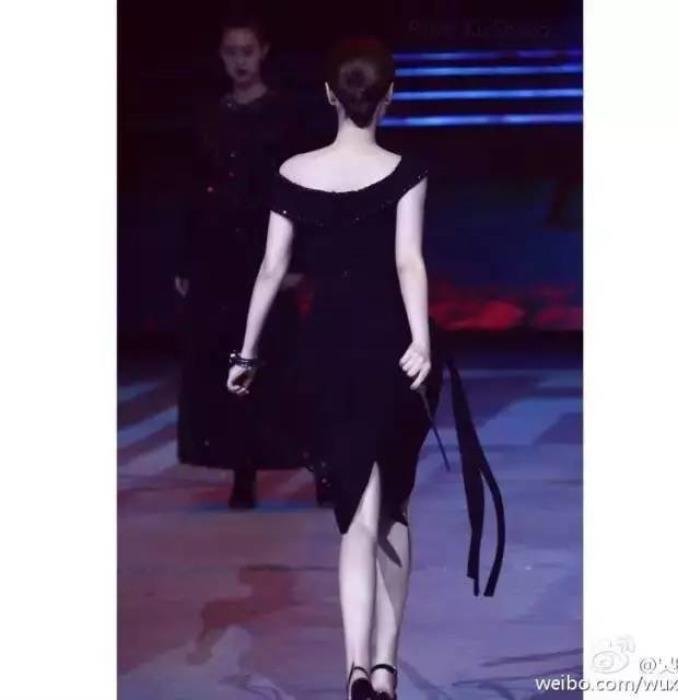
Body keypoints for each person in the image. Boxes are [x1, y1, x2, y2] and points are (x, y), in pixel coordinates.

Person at [226, 37, 505, 699]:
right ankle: (384, 667)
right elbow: (409, 262)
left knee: (355, 507)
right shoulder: (407, 171)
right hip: (392, 349)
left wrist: (246, 352)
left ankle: (355, 667)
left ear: (329, 95)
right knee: (393, 507)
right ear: (390, 97)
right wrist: (422, 342)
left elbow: (271, 269)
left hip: (327, 351)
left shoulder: (293, 172)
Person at [175, 9, 332, 508]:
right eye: (231, 52)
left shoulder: (288, 115)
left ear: (263, 52)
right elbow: (192, 191)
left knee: (288, 365)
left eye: (247, 51)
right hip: (220, 255)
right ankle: (242, 473)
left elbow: (306, 187)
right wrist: (185, 260)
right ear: (220, 56)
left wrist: (301, 257)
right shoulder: (208, 114)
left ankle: (321, 468)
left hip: (272, 249)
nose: (239, 61)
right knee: (230, 362)